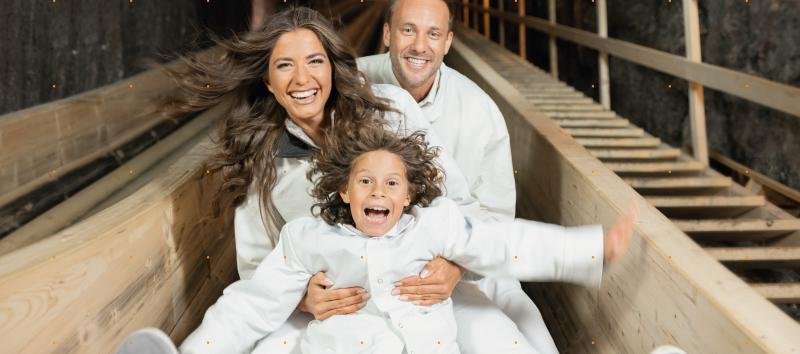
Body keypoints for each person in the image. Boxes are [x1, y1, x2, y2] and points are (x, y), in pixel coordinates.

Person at [157, 6, 524, 352]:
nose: (302, 79)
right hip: (335, 307)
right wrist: (303, 298)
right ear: (268, 81)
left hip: (422, 289)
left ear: (332, 67)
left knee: (504, 341)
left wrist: (455, 267)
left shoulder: (391, 109)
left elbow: (458, 203)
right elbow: (258, 266)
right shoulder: (264, 156)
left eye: (315, 61)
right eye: (285, 65)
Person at [174, 126, 634, 353]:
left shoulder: (434, 226)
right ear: (343, 190)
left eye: (393, 184)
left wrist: (590, 249)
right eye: (366, 182)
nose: (378, 191)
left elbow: (504, 244)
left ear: (411, 193)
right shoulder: (308, 237)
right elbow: (251, 303)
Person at [357, 0, 558, 352]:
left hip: (465, 265)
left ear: (448, 43)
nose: (420, 46)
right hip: (376, 265)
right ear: (386, 33)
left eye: (434, 34)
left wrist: (458, 266)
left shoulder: (480, 112)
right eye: (407, 30)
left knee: (529, 333)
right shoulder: (350, 86)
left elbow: (496, 217)